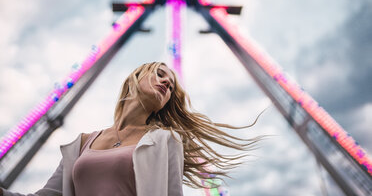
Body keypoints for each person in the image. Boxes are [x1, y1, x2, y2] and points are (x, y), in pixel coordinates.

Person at [1, 62, 263, 196]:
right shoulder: (82, 143)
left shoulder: (165, 140)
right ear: (135, 78)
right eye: (159, 74)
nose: (166, 84)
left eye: (171, 86)